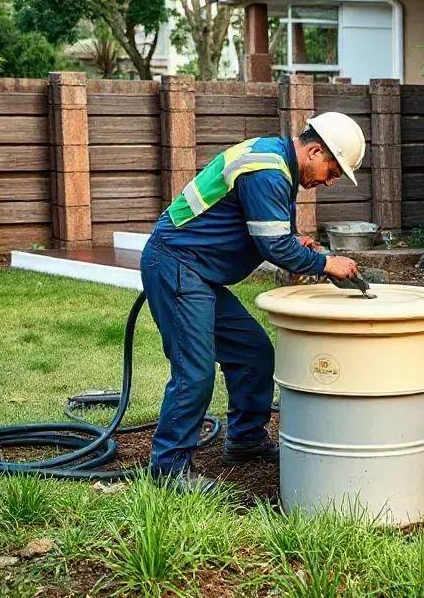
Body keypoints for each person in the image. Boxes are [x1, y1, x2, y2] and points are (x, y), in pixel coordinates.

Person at [140, 111, 364, 493]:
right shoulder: (269, 172)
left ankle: (245, 440)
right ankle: (168, 468)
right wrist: (328, 264)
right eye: (333, 171)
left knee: (253, 353)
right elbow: (274, 246)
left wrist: (299, 245)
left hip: (199, 272)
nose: (329, 181)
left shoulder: (275, 162)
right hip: (178, 266)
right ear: (313, 151)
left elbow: (272, 232)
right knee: (194, 372)